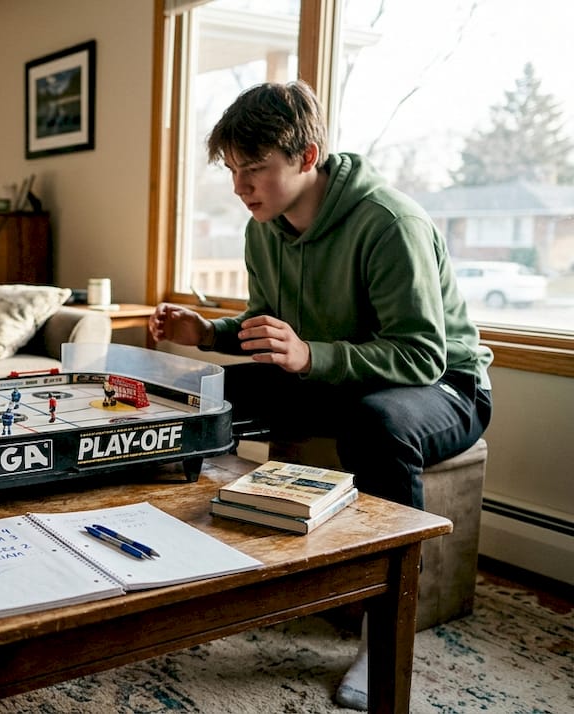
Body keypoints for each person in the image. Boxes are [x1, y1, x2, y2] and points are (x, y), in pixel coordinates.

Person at [148, 81, 491, 710]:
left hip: (444, 386)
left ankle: (380, 631)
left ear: (307, 157)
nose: (240, 186)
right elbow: (270, 330)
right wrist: (209, 332)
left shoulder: (389, 222)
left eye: (255, 168)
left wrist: (312, 356)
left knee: (377, 423)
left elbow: (421, 354)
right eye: (232, 169)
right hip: (338, 377)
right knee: (203, 392)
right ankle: (171, 562)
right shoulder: (264, 229)